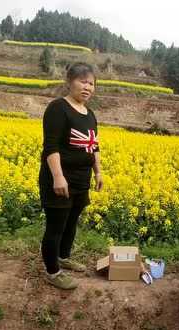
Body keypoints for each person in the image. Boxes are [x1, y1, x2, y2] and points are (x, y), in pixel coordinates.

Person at [38, 62, 103, 290]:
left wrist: (98, 171)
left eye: (91, 83)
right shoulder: (58, 108)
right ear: (69, 82)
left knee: (72, 222)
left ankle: (63, 257)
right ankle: (52, 271)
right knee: (56, 226)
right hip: (60, 178)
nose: (87, 87)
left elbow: (93, 146)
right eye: (83, 81)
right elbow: (51, 146)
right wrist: (57, 176)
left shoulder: (90, 114)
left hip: (80, 179)